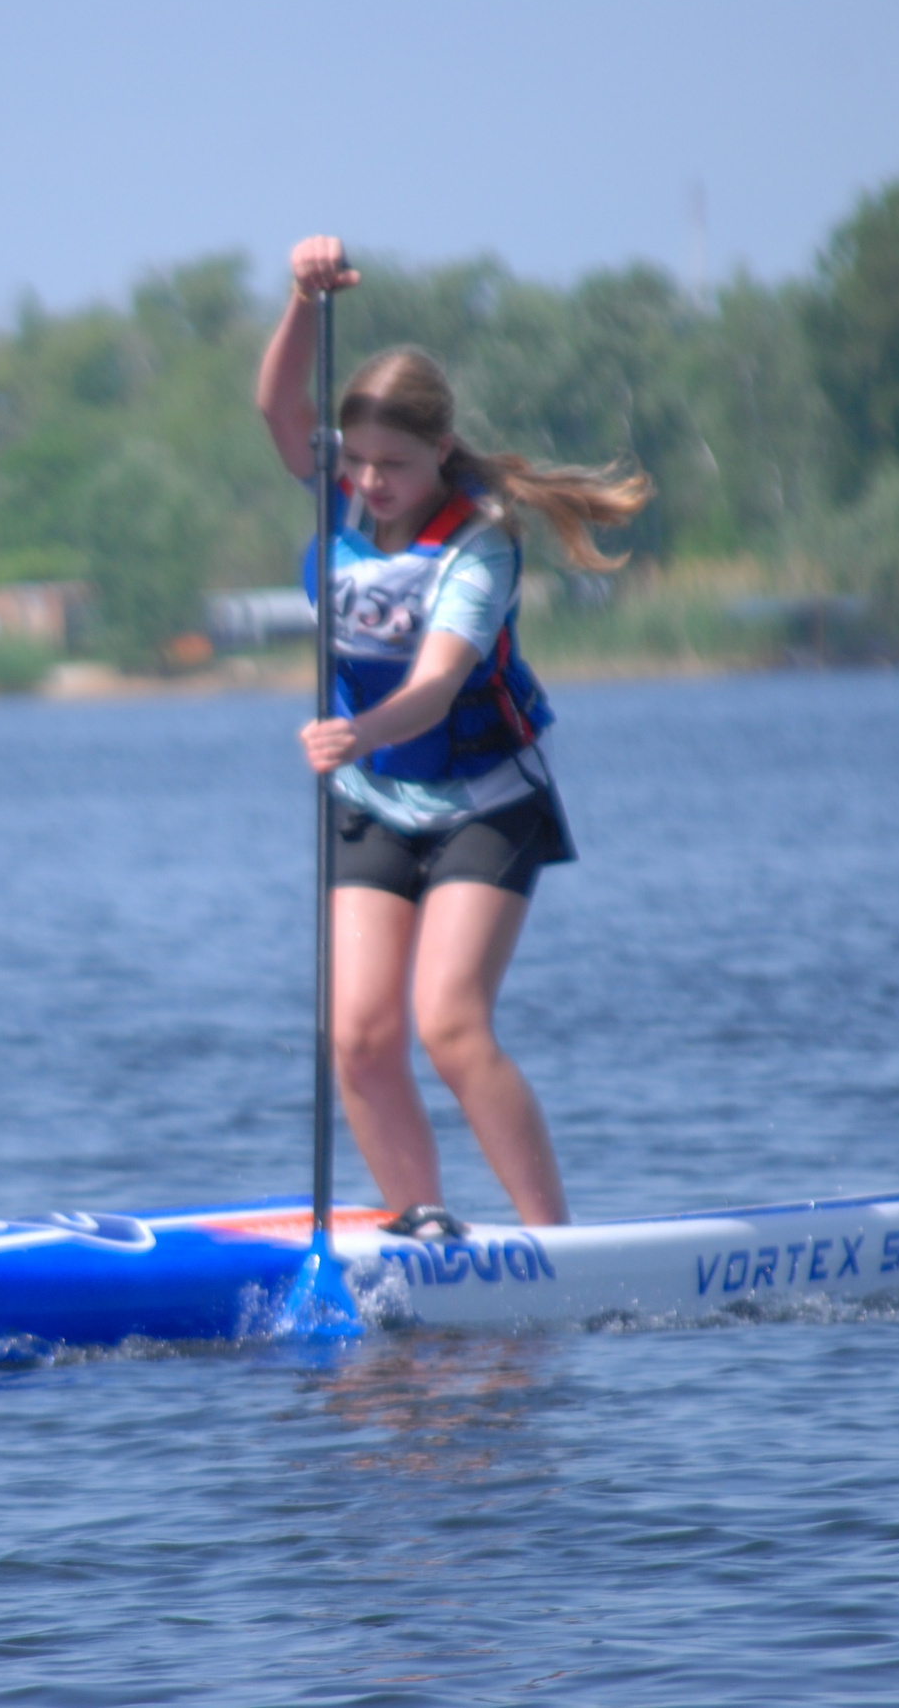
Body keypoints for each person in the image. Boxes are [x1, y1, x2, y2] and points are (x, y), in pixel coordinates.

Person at [256, 234, 651, 1232]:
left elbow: (434, 690)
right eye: (357, 461)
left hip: (488, 801)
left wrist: (355, 734)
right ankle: (418, 1224)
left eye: (395, 463)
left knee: (449, 1023)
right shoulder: (338, 493)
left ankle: (553, 1246)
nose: (369, 482)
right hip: (375, 803)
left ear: (441, 453)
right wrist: (302, 299)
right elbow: (277, 406)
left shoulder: (480, 548)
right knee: (356, 1035)